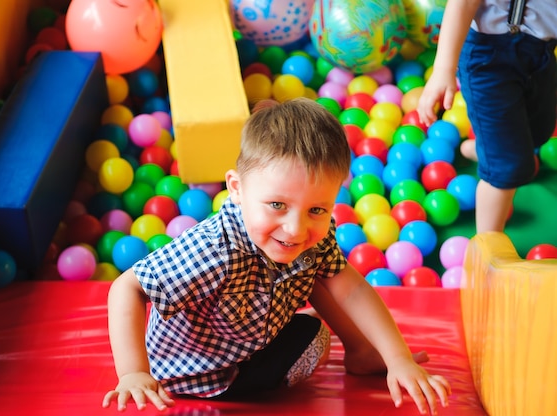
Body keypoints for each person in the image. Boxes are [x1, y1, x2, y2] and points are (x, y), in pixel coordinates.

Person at [102, 98, 451, 414]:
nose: (295, 228)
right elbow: (127, 288)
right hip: (208, 373)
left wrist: (398, 358)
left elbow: (353, 289)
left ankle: (362, 352)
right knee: (315, 338)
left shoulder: (306, 236)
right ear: (236, 189)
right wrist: (134, 373)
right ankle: (345, 347)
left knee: (316, 264)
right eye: (277, 205)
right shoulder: (215, 249)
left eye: (317, 209)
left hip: (246, 332)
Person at [417, 0, 557, 233]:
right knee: (507, 168)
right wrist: (443, 69)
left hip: (541, 53)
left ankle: (489, 151)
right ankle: (488, 248)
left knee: (540, 130)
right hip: (490, 57)